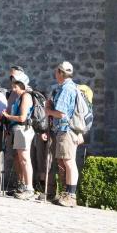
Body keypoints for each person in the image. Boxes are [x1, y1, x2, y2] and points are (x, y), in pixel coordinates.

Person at [45, 61, 82, 207]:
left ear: (61, 72)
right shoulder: (65, 88)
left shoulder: (66, 89)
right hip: (63, 130)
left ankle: (71, 196)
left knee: (68, 161)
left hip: (66, 129)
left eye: (56, 71)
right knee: (62, 161)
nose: (55, 74)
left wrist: (48, 111)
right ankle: (65, 193)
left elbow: (61, 113)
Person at [1, 71, 35, 199]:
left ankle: (29, 188)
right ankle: (26, 187)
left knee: (25, 158)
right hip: (19, 130)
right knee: (22, 159)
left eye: (16, 84)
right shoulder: (20, 97)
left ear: (22, 84)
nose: (13, 87)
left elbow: (22, 117)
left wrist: (8, 116)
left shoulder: (26, 96)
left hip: (22, 130)